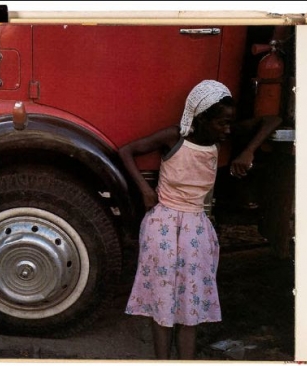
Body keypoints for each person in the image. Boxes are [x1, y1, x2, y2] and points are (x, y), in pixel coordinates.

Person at [119, 80, 234, 360]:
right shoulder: (174, 138)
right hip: (163, 228)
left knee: (189, 307)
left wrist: (248, 151)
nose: (227, 129)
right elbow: (127, 151)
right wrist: (146, 190)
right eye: (222, 122)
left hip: (197, 230)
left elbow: (271, 120)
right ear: (201, 117)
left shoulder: (216, 141)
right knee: (163, 302)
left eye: (229, 123)